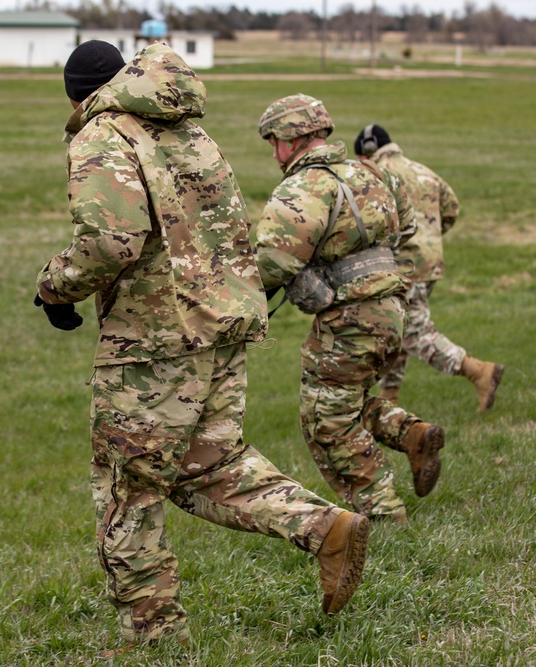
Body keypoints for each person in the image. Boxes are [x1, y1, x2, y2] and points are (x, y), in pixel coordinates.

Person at [34, 41, 371, 653]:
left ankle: (154, 637)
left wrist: (56, 288)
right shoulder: (190, 132)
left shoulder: (103, 134)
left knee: (128, 489)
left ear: (78, 94)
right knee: (206, 466)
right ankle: (324, 526)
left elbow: (111, 241)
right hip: (221, 325)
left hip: (153, 342)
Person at [255, 94, 446, 524]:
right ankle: (412, 435)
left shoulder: (303, 187)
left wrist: (239, 299)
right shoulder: (371, 171)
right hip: (392, 308)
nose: (273, 152)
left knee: (327, 421)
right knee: (346, 399)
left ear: (293, 138)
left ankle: (383, 513)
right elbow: (408, 226)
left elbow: (272, 261)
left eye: (274, 142)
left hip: (351, 317)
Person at [354, 124, 504, 412]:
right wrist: (431, 238)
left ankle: (478, 371)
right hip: (429, 262)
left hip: (401, 265)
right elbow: (451, 208)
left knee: (413, 333)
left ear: (365, 154)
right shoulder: (422, 170)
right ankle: (390, 399)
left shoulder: (374, 174)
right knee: (396, 328)